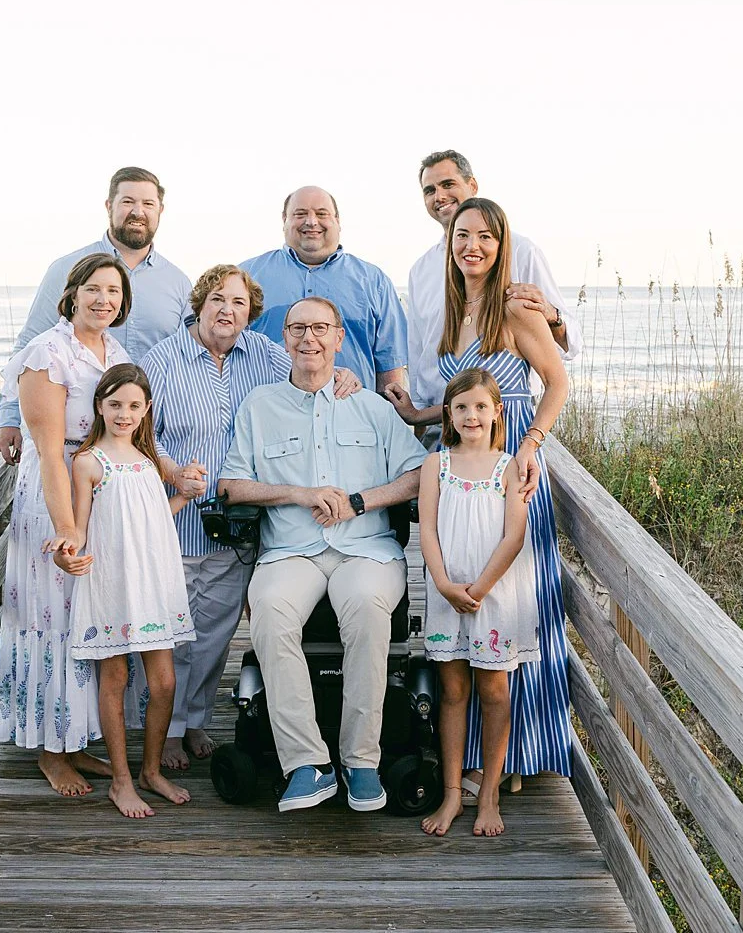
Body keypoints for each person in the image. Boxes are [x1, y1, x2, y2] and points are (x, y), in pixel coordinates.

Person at [139, 265, 361, 771]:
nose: (227, 310)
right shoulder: (164, 359)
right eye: (218, 299)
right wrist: (172, 471)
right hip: (176, 516)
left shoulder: (262, 354)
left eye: (238, 303)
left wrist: (345, 376)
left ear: (250, 313)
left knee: (214, 632)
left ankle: (194, 720)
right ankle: (166, 729)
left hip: (238, 524)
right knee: (171, 631)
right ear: (200, 303)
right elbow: (140, 429)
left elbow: (310, 368)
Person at [217, 297, 427, 814]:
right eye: (297, 328)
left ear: (338, 337)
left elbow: (419, 473)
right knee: (269, 609)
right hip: (291, 551)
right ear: (284, 338)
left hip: (366, 549)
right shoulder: (259, 406)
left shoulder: (371, 407)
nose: (308, 338)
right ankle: (307, 764)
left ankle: (361, 761)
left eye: (319, 328)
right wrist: (297, 493)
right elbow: (231, 484)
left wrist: (361, 501)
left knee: (367, 609)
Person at [401, 198, 574, 782]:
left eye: (485, 236)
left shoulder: (515, 307)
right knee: (470, 595)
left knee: (514, 602)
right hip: (466, 466)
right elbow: (467, 397)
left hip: (512, 460)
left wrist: (531, 445)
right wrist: (417, 414)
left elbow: (557, 382)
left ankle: (519, 756)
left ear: (502, 246)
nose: (471, 246)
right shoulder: (455, 313)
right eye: (462, 235)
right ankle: (474, 758)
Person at [0, 253, 132, 796]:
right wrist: (67, 527)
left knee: (86, 617)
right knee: (51, 617)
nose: (103, 300)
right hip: (53, 497)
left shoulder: (115, 352)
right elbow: (50, 453)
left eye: (114, 292)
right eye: (93, 289)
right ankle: (50, 751)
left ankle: (76, 739)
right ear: (71, 295)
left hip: (96, 491)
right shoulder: (47, 355)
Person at [60, 364, 202, 818]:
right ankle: (121, 780)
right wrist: (65, 552)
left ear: (146, 410)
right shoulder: (88, 462)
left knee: (164, 682)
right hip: (112, 583)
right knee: (116, 678)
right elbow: (79, 528)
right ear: (100, 406)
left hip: (153, 581)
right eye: (115, 404)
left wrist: (185, 496)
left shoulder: (149, 459)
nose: (124, 414)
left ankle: (151, 770)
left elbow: (154, 514)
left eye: (134, 406)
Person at [0, 167, 192, 469]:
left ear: (160, 210)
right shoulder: (66, 269)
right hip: (71, 442)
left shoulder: (178, 283)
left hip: (144, 437)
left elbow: (184, 358)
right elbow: (30, 347)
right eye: (128, 201)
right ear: (109, 206)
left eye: (148, 204)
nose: (138, 212)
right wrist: (9, 418)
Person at [415, 368, 537, 838]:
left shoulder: (509, 467)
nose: (472, 415)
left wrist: (481, 588)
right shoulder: (436, 465)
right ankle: (452, 793)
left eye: (481, 406)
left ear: (497, 412)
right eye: (462, 407)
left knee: (494, 691)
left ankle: (488, 793)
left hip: (494, 594)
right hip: (448, 593)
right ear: (448, 414)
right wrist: (444, 584)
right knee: (452, 691)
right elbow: (427, 530)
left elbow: (514, 535)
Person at [400, 150, 573, 426]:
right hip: (441, 421)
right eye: (429, 190)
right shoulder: (420, 270)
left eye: (447, 184)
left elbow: (567, 351)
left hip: (506, 421)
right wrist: (418, 417)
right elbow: (418, 351)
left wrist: (552, 316)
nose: (439, 196)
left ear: (472, 185)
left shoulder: (521, 251)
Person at [241, 186, 410, 402]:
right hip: (270, 413)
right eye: (300, 213)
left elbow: (390, 365)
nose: (311, 222)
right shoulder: (247, 278)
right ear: (284, 220)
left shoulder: (374, 282)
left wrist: (387, 416)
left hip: (353, 415)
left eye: (321, 214)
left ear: (337, 221)